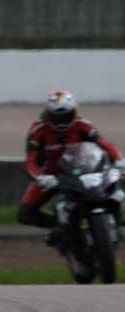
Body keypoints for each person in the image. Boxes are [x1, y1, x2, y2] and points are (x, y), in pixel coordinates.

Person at [17, 90, 124, 244]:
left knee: (114, 191)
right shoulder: (38, 130)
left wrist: (118, 160)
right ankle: (61, 228)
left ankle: (115, 225)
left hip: (84, 171)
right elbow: (30, 161)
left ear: (74, 112)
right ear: (48, 114)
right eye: (56, 117)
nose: (61, 122)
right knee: (24, 214)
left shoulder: (83, 125)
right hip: (52, 176)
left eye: (65, 116)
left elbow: (103, 143)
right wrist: (41, 177)